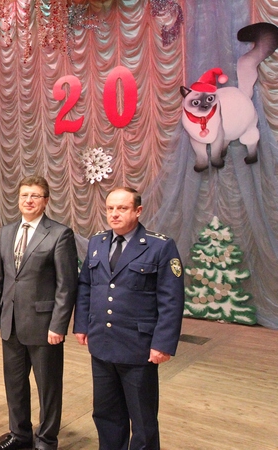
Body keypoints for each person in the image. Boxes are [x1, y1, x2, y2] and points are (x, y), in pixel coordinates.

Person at [73, 187, 184, 450]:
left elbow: (171, 300)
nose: (114, 214)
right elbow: (86, 285)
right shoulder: (97, 242)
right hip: (102, 343)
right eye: (110, 208)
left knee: (143, 419)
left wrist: (163, 343)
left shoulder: (160, 246)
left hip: (138, 346)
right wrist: (82, 324)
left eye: (122, 208)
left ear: (138, 211)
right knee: (106, 414)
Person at [0, 175, 78, 450]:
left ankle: (46, 439)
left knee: (48, 387)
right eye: (24, 195)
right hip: (10, 322)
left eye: (35, 196)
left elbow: (66, 286)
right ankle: (20, 434)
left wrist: (58, 325)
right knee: (14, 384)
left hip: (43, 325)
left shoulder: (60, 234)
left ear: (46, 201)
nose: (28, 200)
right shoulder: (6, 232)